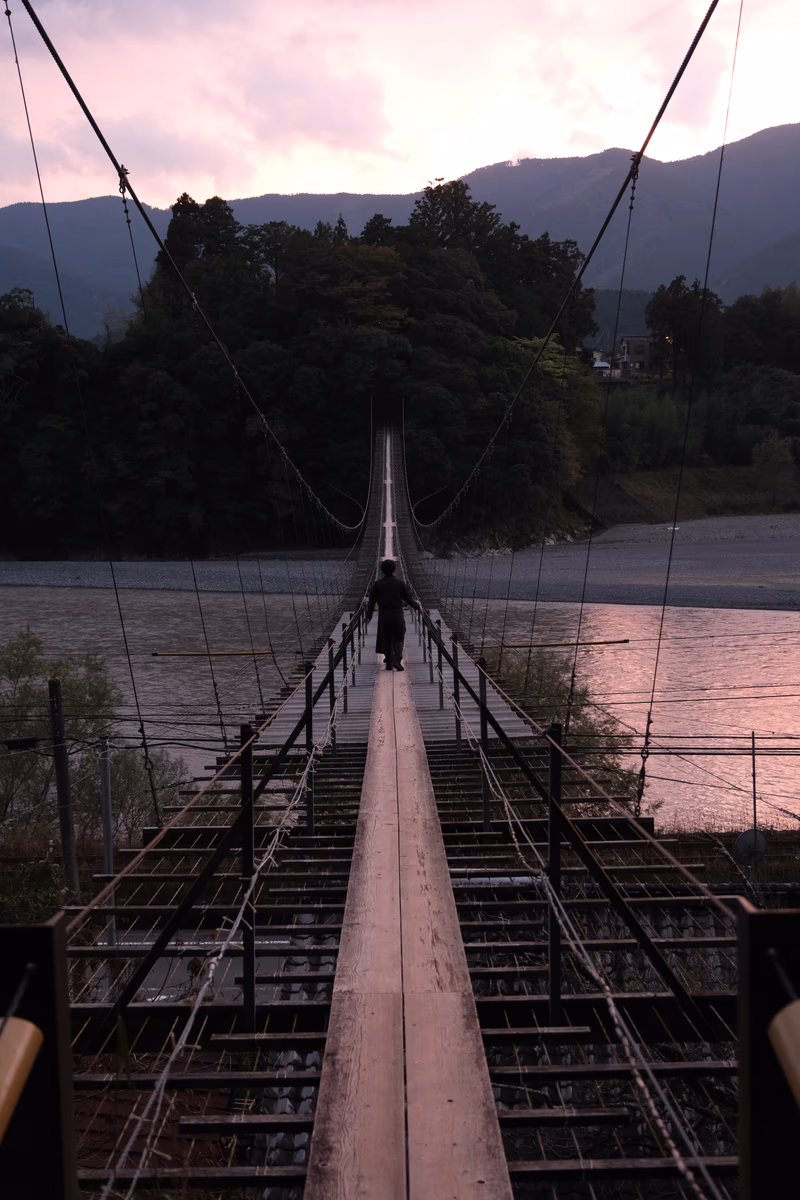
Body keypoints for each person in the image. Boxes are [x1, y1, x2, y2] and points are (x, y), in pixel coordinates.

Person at [366, 559, 420, 671]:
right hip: (397, 616)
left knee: (386, 639)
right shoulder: (400, 584)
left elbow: (371, 602)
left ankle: (389, 662)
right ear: (394, 570)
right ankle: (397, 659)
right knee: (399, 638)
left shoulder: (377, 585)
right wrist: (417, 606)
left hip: (384, 618)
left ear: (382, 571)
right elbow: (408, 599)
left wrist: (368, 616)